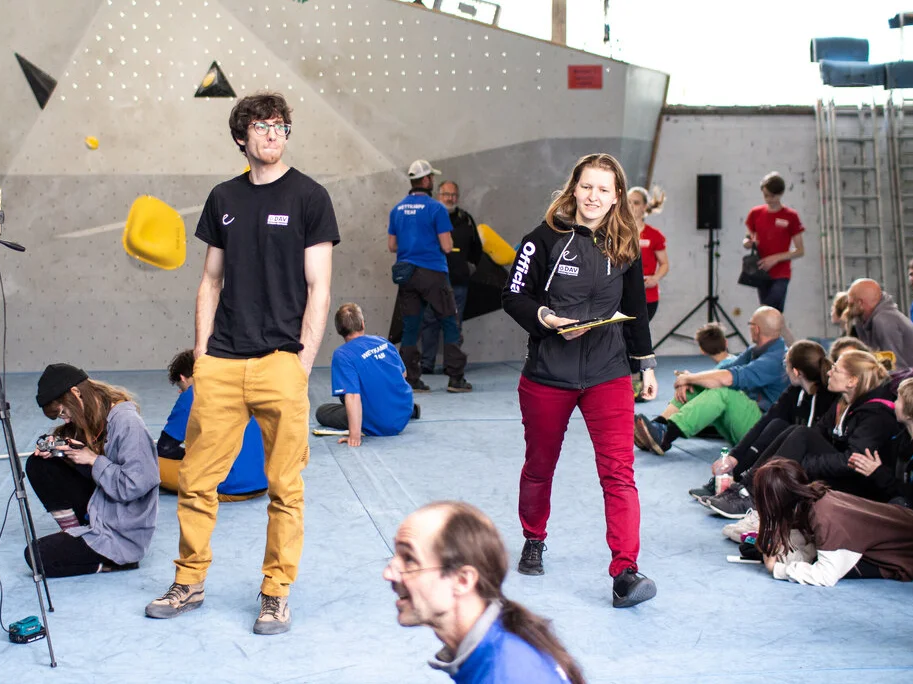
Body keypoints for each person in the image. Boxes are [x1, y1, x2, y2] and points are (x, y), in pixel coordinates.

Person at [144, 92, 338, 635]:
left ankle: (275, 593)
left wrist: (303, 361)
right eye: (261, 126)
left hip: (281, 361)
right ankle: (190, 580)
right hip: (223, 362)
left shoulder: (310, 197)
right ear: (241, 137)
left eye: (280, 125)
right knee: (198, 481)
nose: (273, 133)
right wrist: (202, 351)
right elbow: (210, 279)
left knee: (285, 488)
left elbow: (319, 287)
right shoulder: (223, 197)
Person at [500, 152, 659, 607]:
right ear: (574, 188)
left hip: (608, 373)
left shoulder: (625, 244)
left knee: (619, 474)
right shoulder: (544, 239)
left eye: (603, 190)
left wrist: (644, 364)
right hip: (549, 373)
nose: (593, 196)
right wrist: (544, 316)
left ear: (616, 197)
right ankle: (534, 536)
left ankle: (625, 571)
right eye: (586, 186)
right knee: (540, 465)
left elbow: (637, 310)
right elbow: (513, 295)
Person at [383, 501, 584, 683]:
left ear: (462, 580)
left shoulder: (507, 674)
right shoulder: (502, 645)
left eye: (409, 559)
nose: (388, 573)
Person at [715, 350, 901, 525]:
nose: (829, 372)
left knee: (802, 434)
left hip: (862, 487)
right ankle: (747, 487)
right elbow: (817, 433)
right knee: (795, 430)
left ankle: (756, 496)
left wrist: (802, 464)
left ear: (852, 381)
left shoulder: (876, 415)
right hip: (840, 472)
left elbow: (852, 462)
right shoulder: (844, 402)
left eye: (836, 369)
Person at [27, 363, 159, 577]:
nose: (66, 419)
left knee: (36, 556)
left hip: (122, 529)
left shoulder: (128, 423)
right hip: (101, 504)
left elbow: (135, 487)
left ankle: (116, 561)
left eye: (63, 412)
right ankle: (76, 533)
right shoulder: (91, 413)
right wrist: (57, 446)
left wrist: (93, 460)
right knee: (40, 464)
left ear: (76, 393)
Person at [690, 340, 838, 505]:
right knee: (776, 425)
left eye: (785, 365)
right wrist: (733, 458)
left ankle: (751, 492)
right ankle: (735, 479)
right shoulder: (794, 392)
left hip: (817, 465)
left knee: (794, 432)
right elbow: (764, 423)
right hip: (797, 458)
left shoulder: (830, 397)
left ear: (795, 372)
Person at [753, 459, 913, 586]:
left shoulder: (824, 516)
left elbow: (825, 576)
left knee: (831, 565)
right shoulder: (817, 496)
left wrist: (778, 569)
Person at [634, 307, 788, 455]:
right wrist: (693, 380)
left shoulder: (774, 359)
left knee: (722, 391)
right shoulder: (758, 349)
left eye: (750, 324)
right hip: (751, 418)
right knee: (704, 383)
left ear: (756, 329)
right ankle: (659, 425)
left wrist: (687, 378)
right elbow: (725, 369)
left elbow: (727, 378)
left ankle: (665, 436)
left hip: (763, 430)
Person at [390, 159, 472, 393]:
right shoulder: (436, 208)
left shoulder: (397, 209)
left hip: (406, 274)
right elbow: (447, 246)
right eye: (432, 178)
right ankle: (455, 378)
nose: (433, 181)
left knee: (411, 327)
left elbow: (392, 245)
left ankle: (411, 379)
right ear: (426, 180)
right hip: (433, 272)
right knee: (449, 322)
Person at [849, 377, 913, 539]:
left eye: (899, 400)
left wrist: (878, 472)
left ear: (910, 414)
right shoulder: (902, 437)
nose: (894, 403)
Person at [157, 351, 267, 501]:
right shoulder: (241, 387)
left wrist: (189, 453)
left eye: (180, 386)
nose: (181, 391)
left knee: (145, 461)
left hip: (226, 485)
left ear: (183, 377)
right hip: (261, 482)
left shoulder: (193, 393)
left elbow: (165, 448)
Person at [316, 303, 420, 446]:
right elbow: (403, 374)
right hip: (403, 411)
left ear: (340, 330)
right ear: (363, 324)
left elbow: (352, 395)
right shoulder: (383, 342)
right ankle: (405, 409)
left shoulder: (343, 354)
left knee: (322, 412)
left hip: (379, 421)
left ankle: (375, 413)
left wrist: (355, 435)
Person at [420, 180, 484, 374]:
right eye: (446, 194)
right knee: (429, 323)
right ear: (438, 196)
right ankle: (426, 364)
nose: (450, 198)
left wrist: (469, 268)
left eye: (453, 195)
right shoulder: (428, 217)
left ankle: (452, 365)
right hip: (432, 281)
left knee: (454, 325)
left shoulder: (466, 219)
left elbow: (477, 248)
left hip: (458, 283)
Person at [847, 278, 913, 380]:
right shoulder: (862, 320)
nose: (848, 308)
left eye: (850, 304)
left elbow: (896, 367)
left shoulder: (884, 321)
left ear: (860, 303)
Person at [742, 171, 805, 312]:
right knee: (770, 313)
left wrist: (776, 258)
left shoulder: (790, 216)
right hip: (761, 270)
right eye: (766, 195)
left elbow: (800, 250)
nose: (769, 199)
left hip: (781, 272)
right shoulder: (755, 213)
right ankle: (775, 333)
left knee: (768, 309)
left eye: (772, 196)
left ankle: (768, 331)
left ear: (781, 193)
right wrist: (747, 242)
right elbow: (748, 237)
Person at [629, 186, 669, 320]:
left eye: (636, 202)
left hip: (647, 296)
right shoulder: (618, 232)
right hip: (623, 294)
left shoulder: (654, 235)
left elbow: (664, 264)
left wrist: (655, 278)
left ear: (645, 207)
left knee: (639, 335)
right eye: (628, 202)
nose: (631, 206)